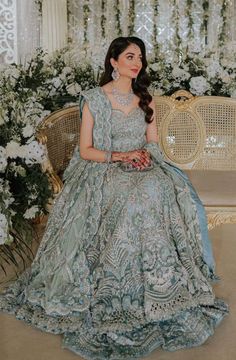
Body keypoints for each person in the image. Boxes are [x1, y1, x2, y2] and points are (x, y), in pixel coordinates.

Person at [0, 36, 229, 359]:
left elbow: (152, 142)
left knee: (157, 188)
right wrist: (121, 157)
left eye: (140, 58)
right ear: (113, 61)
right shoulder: (94, 99)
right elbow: (85, 151)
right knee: (130, 195)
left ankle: (159, 284)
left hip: (141, 165)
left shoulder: (144, 99)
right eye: (130, 57)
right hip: (104, 167)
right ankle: (116, 286)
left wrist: (145, 156)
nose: (137, 63)